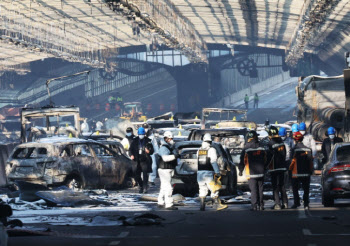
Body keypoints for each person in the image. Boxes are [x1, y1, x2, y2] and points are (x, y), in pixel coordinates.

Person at [197, 133, 227, 211]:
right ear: (210, 141)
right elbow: (213, 162)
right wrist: (217, 172)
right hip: (208, 173)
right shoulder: (211, 150)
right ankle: (217, 205)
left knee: (202, 188)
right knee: (214, 188)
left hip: (199, 173)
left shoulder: (199, 150)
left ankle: (202, 206)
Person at [239, 130, 268, 211]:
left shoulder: (246, 148)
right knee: (260, 189)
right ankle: (261, 205)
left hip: (251, 173)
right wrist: (265, 167)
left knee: (254, 190)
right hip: (261, 172)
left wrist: (240, 170)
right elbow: (266, 159)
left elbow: (242, 160)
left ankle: (254, 205)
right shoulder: (261, 146)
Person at [289, 131, 314, 209]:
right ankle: (306, 203)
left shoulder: (294, 149)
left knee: (295, 188)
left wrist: (290, 170)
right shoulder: (308, 149)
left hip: (296, 173)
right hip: (306, 173)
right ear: (302, 139)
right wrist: (311, 171)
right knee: (306, 189)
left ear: (295, 140)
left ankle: (296, 203)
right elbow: (310, 161)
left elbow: (292, 161)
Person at [267, 126, 288, 210]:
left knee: (275, 186)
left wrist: (266, 166)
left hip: (274, 168)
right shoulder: (282, 142)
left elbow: (269, 156)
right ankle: (285, 202)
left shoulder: (270, 143)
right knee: (282, 185)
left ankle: (277, 204)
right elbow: (285, 154)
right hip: (282, 167)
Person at [157, 131, 179, 210]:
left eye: (172, 139)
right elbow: (165, 158)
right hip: (164, 169)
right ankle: (169, 204)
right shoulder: (164, 148)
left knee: (163, 187)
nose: (171, 140)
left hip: (167, 169)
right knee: (168, 187)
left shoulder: (169, 147)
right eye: (170, 139)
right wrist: (175, 156)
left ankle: (160, 201)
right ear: (166, 139)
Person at [130, 127, 154, 193]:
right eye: (140, 134)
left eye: (142, 134)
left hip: (145, 160)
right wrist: (131, 155)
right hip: (136, 160)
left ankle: (145, 187)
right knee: (136, 174)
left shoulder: (148, 141)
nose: (141, 135)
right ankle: (141, 185)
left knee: (145, 174)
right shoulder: (134, 141)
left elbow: (152, 150)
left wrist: (149, 151)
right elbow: (131, 149)